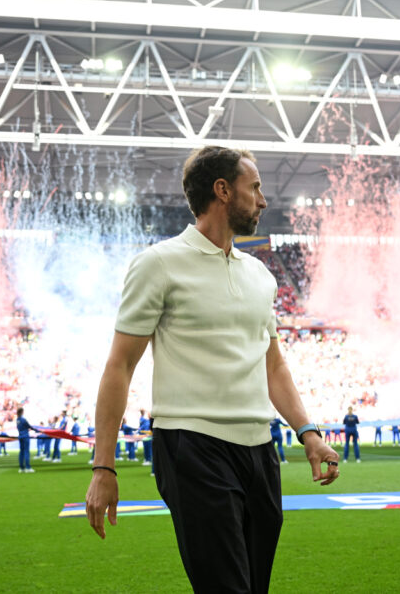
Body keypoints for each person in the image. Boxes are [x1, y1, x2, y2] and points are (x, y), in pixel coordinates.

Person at [85, 146, 339, 594]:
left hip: (261, 451)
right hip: (191, 446)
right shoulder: (158, 263)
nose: (263, 200)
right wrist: (103, 467)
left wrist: (308, 433)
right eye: (254, 187)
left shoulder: (261, 275)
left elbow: (273, 364)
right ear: (223, 190)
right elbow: (119, 365)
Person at [16, 407, 35, 473]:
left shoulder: (17, 419)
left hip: (20, 436)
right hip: (25, 436)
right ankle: (28, 467)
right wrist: (35, 429)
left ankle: (21, 468)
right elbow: (29, 426)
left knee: (21, 452)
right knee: (26, 452)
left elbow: (21, 427)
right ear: (22, 412)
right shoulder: (23, 419)